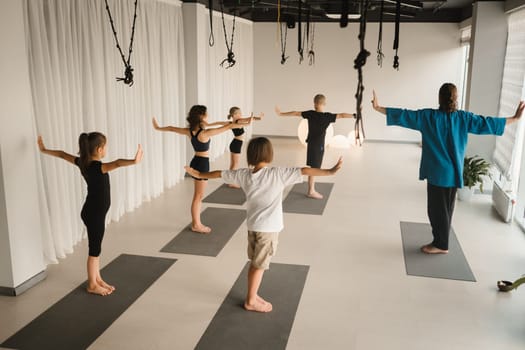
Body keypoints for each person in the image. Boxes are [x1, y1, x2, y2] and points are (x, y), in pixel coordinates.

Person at [185, 137, 342, 312]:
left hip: (253, 227)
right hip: (268, 230)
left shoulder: (243, 174)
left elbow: (219, 174)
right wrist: (329, 172)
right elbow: (304, 170)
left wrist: (199, 175)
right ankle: (251, 300)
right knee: (259, 266)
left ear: (250, 156)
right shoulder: (277, 174)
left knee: (255, 263)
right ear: (269, 155)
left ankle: (253, 293)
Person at [372, 83, 525, 254]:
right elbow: (486, 123)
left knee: (436, 211)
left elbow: (404, 115)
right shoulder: (463, 118)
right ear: (456, 98)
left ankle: (441, 245)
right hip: (453, 174)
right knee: (446, 210)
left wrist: (378, 108)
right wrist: (515, 118)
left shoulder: (428, 117)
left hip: (437, 174)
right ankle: (441, 242)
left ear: (440, 98)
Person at [37, 134, 143, 296]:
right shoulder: (97, 167)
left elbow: (62, 154)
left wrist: (44, 150)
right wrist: (134, 161)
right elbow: (117, 163)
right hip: (94, 214)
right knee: (94, 251)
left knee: (97, 249)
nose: (106, 149)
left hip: (92, 211)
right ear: (99, 149)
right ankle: (92, 284)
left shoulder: (83, 163)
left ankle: (98, 278)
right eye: (105, 146)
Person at [152, 105, 252, 233]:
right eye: (206, 114)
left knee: (198, 195)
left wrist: (158, 128)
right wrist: (245, 123)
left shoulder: (190, 131)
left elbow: (172, 128)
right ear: (201, 116)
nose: (208, 115)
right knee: (198, 196)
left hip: (195, 161)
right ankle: (196, 224)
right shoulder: (204, 133)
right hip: (202, 164)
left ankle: (196, 223)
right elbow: (226, 127)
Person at [275, 94, 354, 199]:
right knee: (315, 167)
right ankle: (311, 191)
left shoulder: (310, 114)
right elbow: (342, 115)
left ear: (314, 103)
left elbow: (295, 112)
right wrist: (354, 115)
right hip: (318, 146)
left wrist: (281, 114)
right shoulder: (327, 116)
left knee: (313, 166)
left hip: (311, 144)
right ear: (324, 104)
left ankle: (311, 189)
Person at [226, 107, 263, 188]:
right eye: (239, 113)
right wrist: (254, 119)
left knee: (233, 164)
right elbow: (248, 119)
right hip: (236, 144)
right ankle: (232, 183)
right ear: (234, 115)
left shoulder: (235, 121)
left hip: (235, 143)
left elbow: (249, 118)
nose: (241, 114)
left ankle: (229, 180)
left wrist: (258, 118)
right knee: (235, 164)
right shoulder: (238, 121)